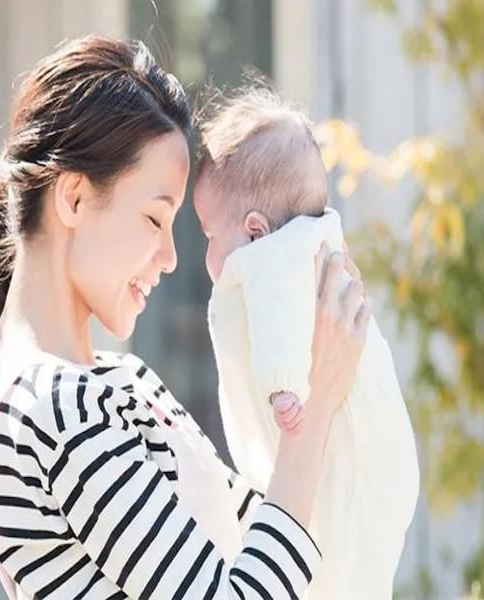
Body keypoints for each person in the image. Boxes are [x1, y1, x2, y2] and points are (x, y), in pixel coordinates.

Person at [0, 36, 370, 599]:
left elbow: (265, 540)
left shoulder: (120, 381)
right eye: (156, 220)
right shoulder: (54, 408)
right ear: (73, 198)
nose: (171, 257)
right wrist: (317, 404)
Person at [193, 85, 420, 599]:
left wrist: (283, 390)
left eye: (208, 235)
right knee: (353, 558)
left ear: (254, 231)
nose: (204, 252)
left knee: (338, 561)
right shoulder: (312, 249)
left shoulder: (277, 260)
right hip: (376, 454)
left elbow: (279, 325)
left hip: (354, 451)